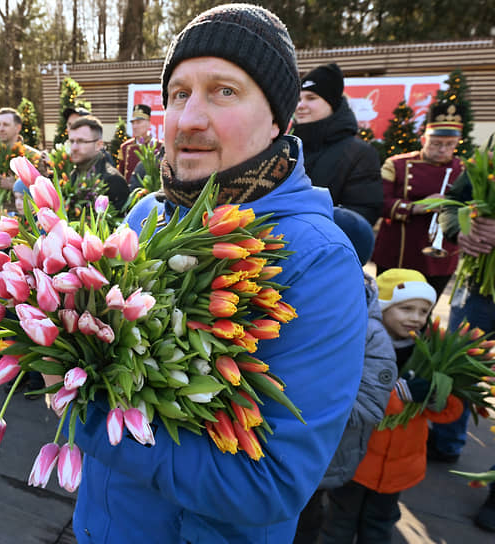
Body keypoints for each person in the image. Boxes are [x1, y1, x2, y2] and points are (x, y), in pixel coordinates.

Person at [66, 5, 367, 542]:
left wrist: (82, 411)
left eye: (224, 91)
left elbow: (267, 484)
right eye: (179, 93)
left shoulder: (318, 260)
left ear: (280, 119)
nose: (189, 119)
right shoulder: (146, 215)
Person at [320, 269, 463, 543]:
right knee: (338, 522)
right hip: (357, 462)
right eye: (406, 308)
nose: (416, 318)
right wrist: (399, 395)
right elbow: (354, 400)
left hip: (400, 468)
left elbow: (449, 413)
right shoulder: (362, 347)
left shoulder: (431, 355)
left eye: (424, 311)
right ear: (382, 308)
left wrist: (438, 397)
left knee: (380, 526)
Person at [430, 122, 495, 533]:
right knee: (457, 369)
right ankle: (446, 441)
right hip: (476, 287)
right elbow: (453, 202)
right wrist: (459, 229)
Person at [293, 207, 397, 544]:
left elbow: (368, 404)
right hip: (283, 452)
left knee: (308, 523)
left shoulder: (370, 333)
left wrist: (300, 404)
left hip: (324, 460)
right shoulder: (296, 303)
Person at [371, 103, 465, 297]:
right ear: (423, 139)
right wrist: (417, 207)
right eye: (436, 143)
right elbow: (379, 202)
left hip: (441, 257)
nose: (442, 150)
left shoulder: (463, 170)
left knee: (424, 314)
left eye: (450, 144)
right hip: (397, 252)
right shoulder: (396, 164)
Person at [293, 63, 383, 225]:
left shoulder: (359, 153)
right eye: (298, 99)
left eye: (311, 98)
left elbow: (363, 213)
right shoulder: (288, 147)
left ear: (332, 104)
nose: (300, 106)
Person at [68, 115, 129, 212]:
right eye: (72, 141)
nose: (74, 148)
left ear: (98, 145)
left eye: (81, 141)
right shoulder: (73, 175)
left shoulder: (113, 181)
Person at [117, 104, 163, 184]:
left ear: (149, 124)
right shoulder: (125, 147)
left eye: (138, 122)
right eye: (133, 123)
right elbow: (120, 175)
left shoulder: (159, 146)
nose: (135, 126)